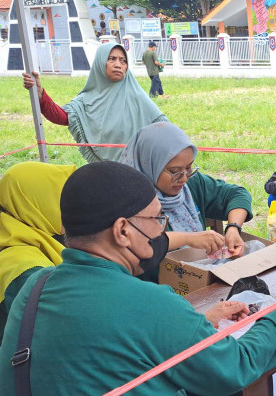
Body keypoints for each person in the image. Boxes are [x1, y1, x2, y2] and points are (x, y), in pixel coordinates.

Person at [0, 161, 276, 396]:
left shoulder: (33, 287)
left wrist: (201, 321)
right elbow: (233, 367)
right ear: (123, 230)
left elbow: (106, 348)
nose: (161, 231)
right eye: (156, 220)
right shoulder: (146, 301)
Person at [119, 122, 253, 264]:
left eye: (189, 168)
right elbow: (140, 242)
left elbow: (237, 194)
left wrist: (233, 228)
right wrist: (189, 238)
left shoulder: (191, 184)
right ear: (149, 164)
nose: (183, 178)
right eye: (175, 172)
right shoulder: (126, 198)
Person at [22, 42, 168, 163]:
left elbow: (166, 130)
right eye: (112, 59)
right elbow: (61, 116)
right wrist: (40, 93)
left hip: (139, 171)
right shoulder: (85, 100)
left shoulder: (137, 96)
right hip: (103, 172)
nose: (118, 64)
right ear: (99, 62)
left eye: (123, 61)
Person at [0, 162, 75, 345]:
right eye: (64, 201)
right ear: (34, 205)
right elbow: (59, 332)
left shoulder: (25, 239)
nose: (76, 209)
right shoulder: (24, 267)